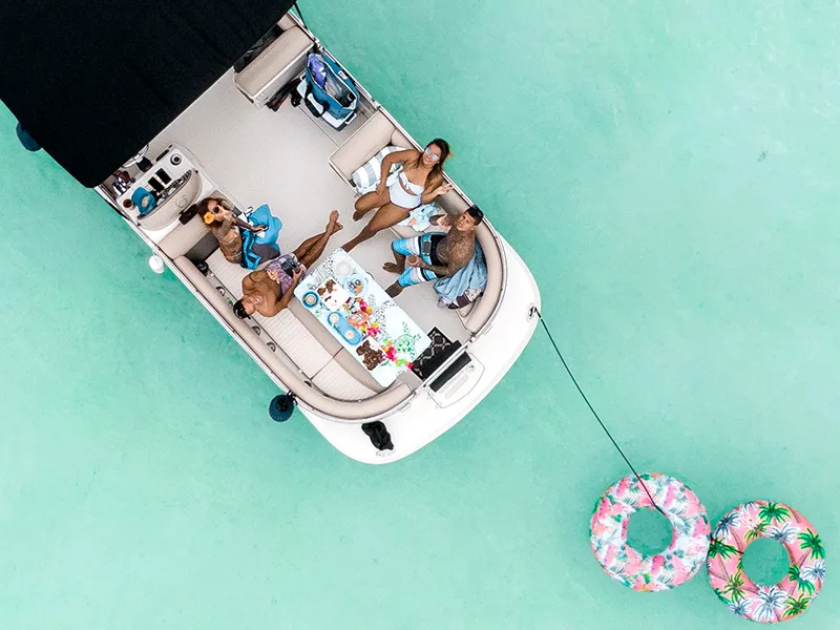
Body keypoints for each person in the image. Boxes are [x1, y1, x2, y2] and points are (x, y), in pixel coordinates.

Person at [343, 139, 454, 252]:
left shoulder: (435, 177)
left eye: (434, 156)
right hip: (392, 190)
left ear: (438, 161)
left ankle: (355, 241)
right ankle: (362, 212)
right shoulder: (413, 155)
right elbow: (388, 159)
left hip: (403, 206)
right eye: (428, 150)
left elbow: (424, 200)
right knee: (359, 206)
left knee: (372, 228)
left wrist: (436, 192)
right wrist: (382, 182)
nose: (429, 156)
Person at [233, 211, 343, 318]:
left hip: (273, 271)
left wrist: (268, 275)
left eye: (250, 300)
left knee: (300, 252)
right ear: (254, 312)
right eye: (254, 307)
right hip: (286, 285)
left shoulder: (247, 284)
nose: (255, 301)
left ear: (244, 296)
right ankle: (329, 231)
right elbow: (285, 301)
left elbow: (255, 276)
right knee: (308, 260)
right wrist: (295, 281)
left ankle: (329, 231)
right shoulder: (269, 310)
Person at [382, 205, 484, 297]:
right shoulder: (458, 219)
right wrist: (438, 220)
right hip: (434, 243)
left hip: (436, 263)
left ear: (473, 227)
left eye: (467, 222)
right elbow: (432, 220)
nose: (462, 222)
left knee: (400, 283)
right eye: (464, 217)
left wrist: (423, 265)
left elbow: (449, 271)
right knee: (395, 246)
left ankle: (380, 300)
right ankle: (399, 268)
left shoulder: (464, 249)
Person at [199, 197, 265, 264]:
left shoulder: (225, 217)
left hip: (237, 242)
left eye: (219, 203)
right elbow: (226, 225)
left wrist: (251, 227)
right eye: (216, 209)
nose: (221, 208)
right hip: (237, 256)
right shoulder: (218, 231)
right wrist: (227, 216)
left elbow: (234, 220)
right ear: (210, 217)